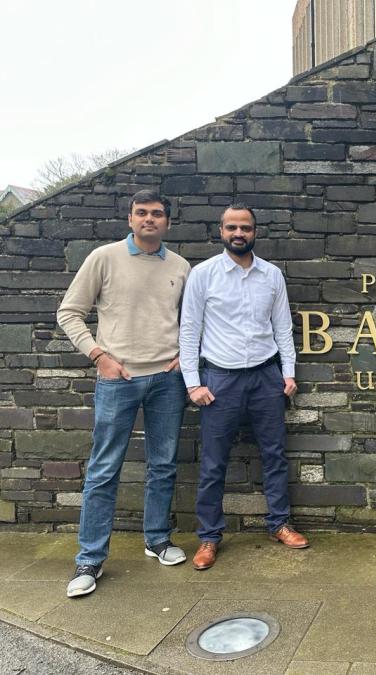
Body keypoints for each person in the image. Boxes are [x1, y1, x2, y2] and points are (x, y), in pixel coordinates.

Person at [57, 190, 191, 598]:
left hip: (167, 379)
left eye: (157, 214)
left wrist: (185, 354)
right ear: (130, 218)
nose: (149, 219)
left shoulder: (181, 266)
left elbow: (192, 319)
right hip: (119, 378)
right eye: (141, 213)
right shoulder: (104, 258)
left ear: (167, 221)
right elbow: (69, 312)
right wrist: (99, 356)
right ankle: (90, 559)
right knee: (103, 469)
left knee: (163, 464)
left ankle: (157, 540)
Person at [179, 203, 307, 570]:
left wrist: (288, 372)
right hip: (221, 379)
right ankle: (208, 538)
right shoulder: (203, 275)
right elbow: (189, 331)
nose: (239, 233)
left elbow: (283, 327)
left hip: (266, 377)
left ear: (255, 231)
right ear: (220, 231)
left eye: (245, 227)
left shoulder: (272, 275)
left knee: (274, 455)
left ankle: (279, 524)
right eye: (232, 227)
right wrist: (192, 384)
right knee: (213, 462)